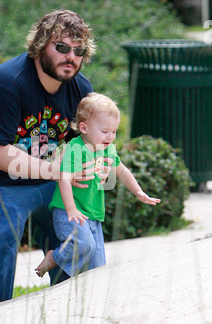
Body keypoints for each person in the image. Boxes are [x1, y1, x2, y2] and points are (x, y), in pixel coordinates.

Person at [0, 10, 104, 310]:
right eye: (61, 47)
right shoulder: (6, 84)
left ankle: (66, 310)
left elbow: (79, 144)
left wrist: (94, 162)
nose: (71, 56)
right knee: (1, 236)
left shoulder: (80, 89)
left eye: (79, 50)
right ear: (40, 44)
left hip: (43, 169)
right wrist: (56, 171)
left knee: (76, 227)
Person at [35, 92, 161, 278]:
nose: (110, 136)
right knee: (84, 244)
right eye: (104, 131)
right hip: (70, 212)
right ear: (84, 128)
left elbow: (122, 171)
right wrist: (70, 210)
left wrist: (139, 192)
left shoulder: (107, 149)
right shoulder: (76, 148)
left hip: (93, 214)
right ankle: (55, 257)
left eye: (114, 131)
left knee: (98, 270)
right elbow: (63, 178)